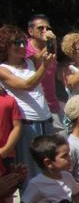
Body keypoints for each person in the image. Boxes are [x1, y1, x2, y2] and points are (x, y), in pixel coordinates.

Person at [0, 25, 55, 190]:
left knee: (50, 167)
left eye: (24, 42)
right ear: (5, 46)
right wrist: (44, 67)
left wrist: (51, 39)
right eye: (17, 43)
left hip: (46, 119)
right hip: (26, 123)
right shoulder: (3, 69)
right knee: (31, 173)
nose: (23, 46)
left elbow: (49, 53)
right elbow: (26, 85)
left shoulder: (30, 61)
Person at [19, 135, 79, 203]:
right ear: (48, 163)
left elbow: (75, 194)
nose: (69, 158)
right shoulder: (36, 184)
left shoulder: (68, 176)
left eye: (69, 153)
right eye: (64, 156)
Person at [25, 14, 63, 134]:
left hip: (52, 104)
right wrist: (50, 44)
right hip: (33, 107)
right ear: (30, 31)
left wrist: (52, 45)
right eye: (40, 28)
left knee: (61, 141)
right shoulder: (24, 47)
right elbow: (34, 61)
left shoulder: (51, 46)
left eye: (48, 28)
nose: (45, 31)